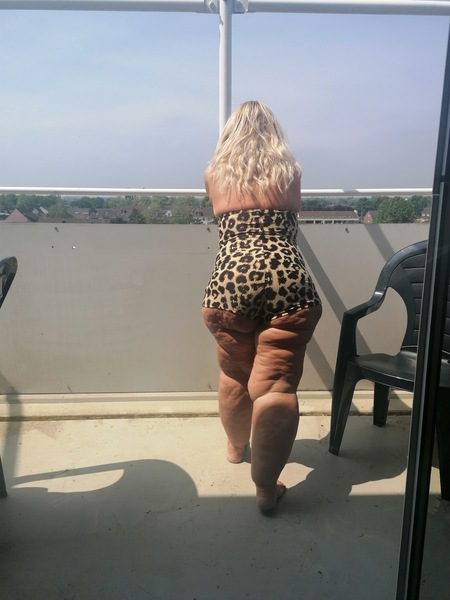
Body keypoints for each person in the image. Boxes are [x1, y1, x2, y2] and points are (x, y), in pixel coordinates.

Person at [202, 101, 322, 512]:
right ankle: (266, 489)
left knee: (234, 373)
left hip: (230, 282)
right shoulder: (290, 172)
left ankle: (236, 448)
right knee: (276, 386)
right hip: (288, 280)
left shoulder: (214, 173)